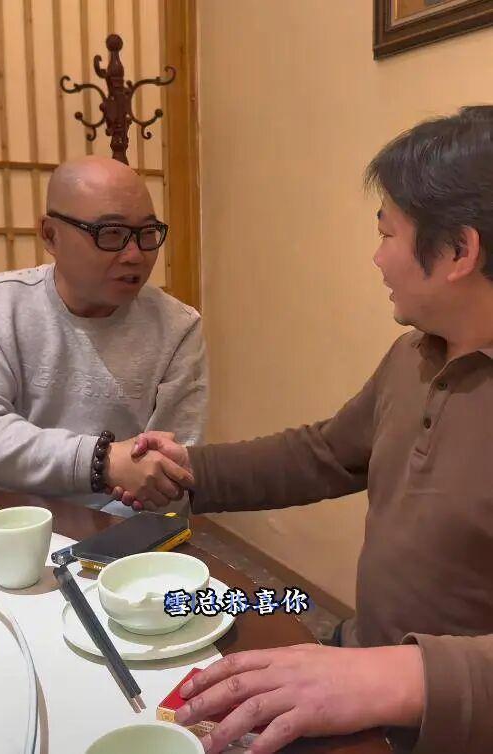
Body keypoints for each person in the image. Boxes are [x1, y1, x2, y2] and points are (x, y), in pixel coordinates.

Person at [111, 106, 493, 754]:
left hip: (446, 721)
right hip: (357, 660)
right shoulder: (416, 353)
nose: (377, 259)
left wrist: (406, 678)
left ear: (458, 250)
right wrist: (188, 469)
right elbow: (326, 453)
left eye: (388, 234)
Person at [0, 155, 205, 513]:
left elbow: (170, 471)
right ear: (50, 235)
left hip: (122, 531)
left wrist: (104, 537)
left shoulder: (177, 327)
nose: (135, 255)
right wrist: (100, 461)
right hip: (8, 522)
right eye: (111, 234)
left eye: (147, 234)